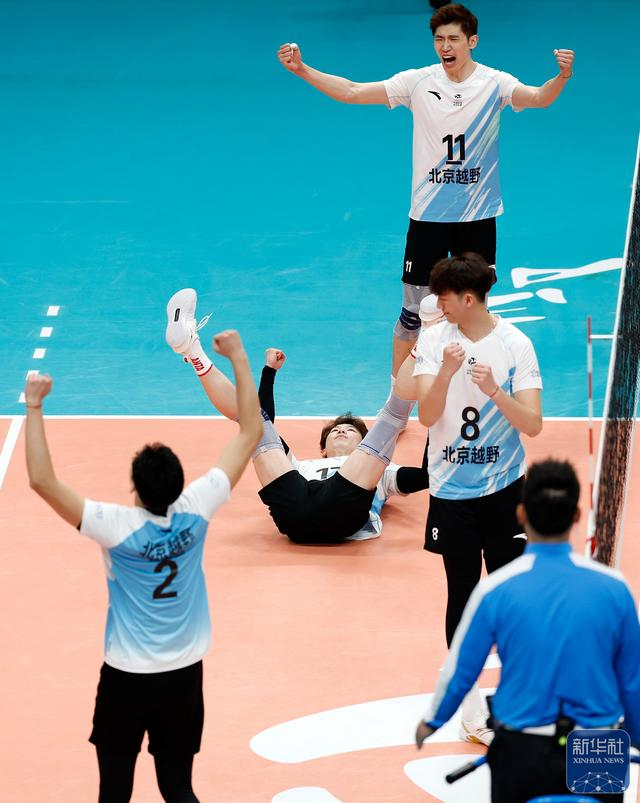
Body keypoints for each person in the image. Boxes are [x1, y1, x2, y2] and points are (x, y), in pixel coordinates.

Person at [24, 331, 262, 803]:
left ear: (134, 487)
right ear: (179, 485)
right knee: (178, 790)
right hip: (183, 677)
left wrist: (34, 405)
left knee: (114, 794)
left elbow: (41, 481)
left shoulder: (115, 527)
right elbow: (250, 431)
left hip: (126, 680)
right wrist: (237, 356)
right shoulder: (197, 507)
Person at [276, 3, 574, 379]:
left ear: (472, 41)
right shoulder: (417, 82)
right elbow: (352, 91)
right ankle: (398, 401)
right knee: (413, 315)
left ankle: (469, 387)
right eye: (438, 39)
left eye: (453, 39)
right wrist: (302, 69)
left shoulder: (494, 83)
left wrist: (562, 76)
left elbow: (539, 97)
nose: (445, 47)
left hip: (477, 217)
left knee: (473, 309)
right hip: (428, 217)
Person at [415, 458, 640, 803]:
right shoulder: (614, 588)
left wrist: (432, 721)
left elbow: (461, 668)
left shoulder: (495, 590)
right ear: (576, 516)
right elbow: (632, 679)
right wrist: (635, 735)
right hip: (597, 743)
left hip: (521, 745)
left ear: (520, 515)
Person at [166, 288, 428, 545]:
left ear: (364, 444)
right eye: (336, 430)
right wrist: (268, 372)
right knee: (252, 421)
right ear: (322, 449)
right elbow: (264, 423)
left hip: (341, 511)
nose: (341, 430)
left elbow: (425, 476)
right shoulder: (301, 466)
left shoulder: (384, 472)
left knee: (393, 417)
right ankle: (191, 348)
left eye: (350, 430)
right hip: (296, 512)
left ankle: (428, 338)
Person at [413, 251, 543, 743]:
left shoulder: (516, 344)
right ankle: (470, 710)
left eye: (444, 297)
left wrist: (496, 392)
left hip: (505, 488)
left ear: (468, 299)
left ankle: (516, 698)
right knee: (463, 595)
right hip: (451, 492)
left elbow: (533, 424)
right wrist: (446, 373)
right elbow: (426, 417)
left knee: (512, 598)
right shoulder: (433, 341)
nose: (437, 305)